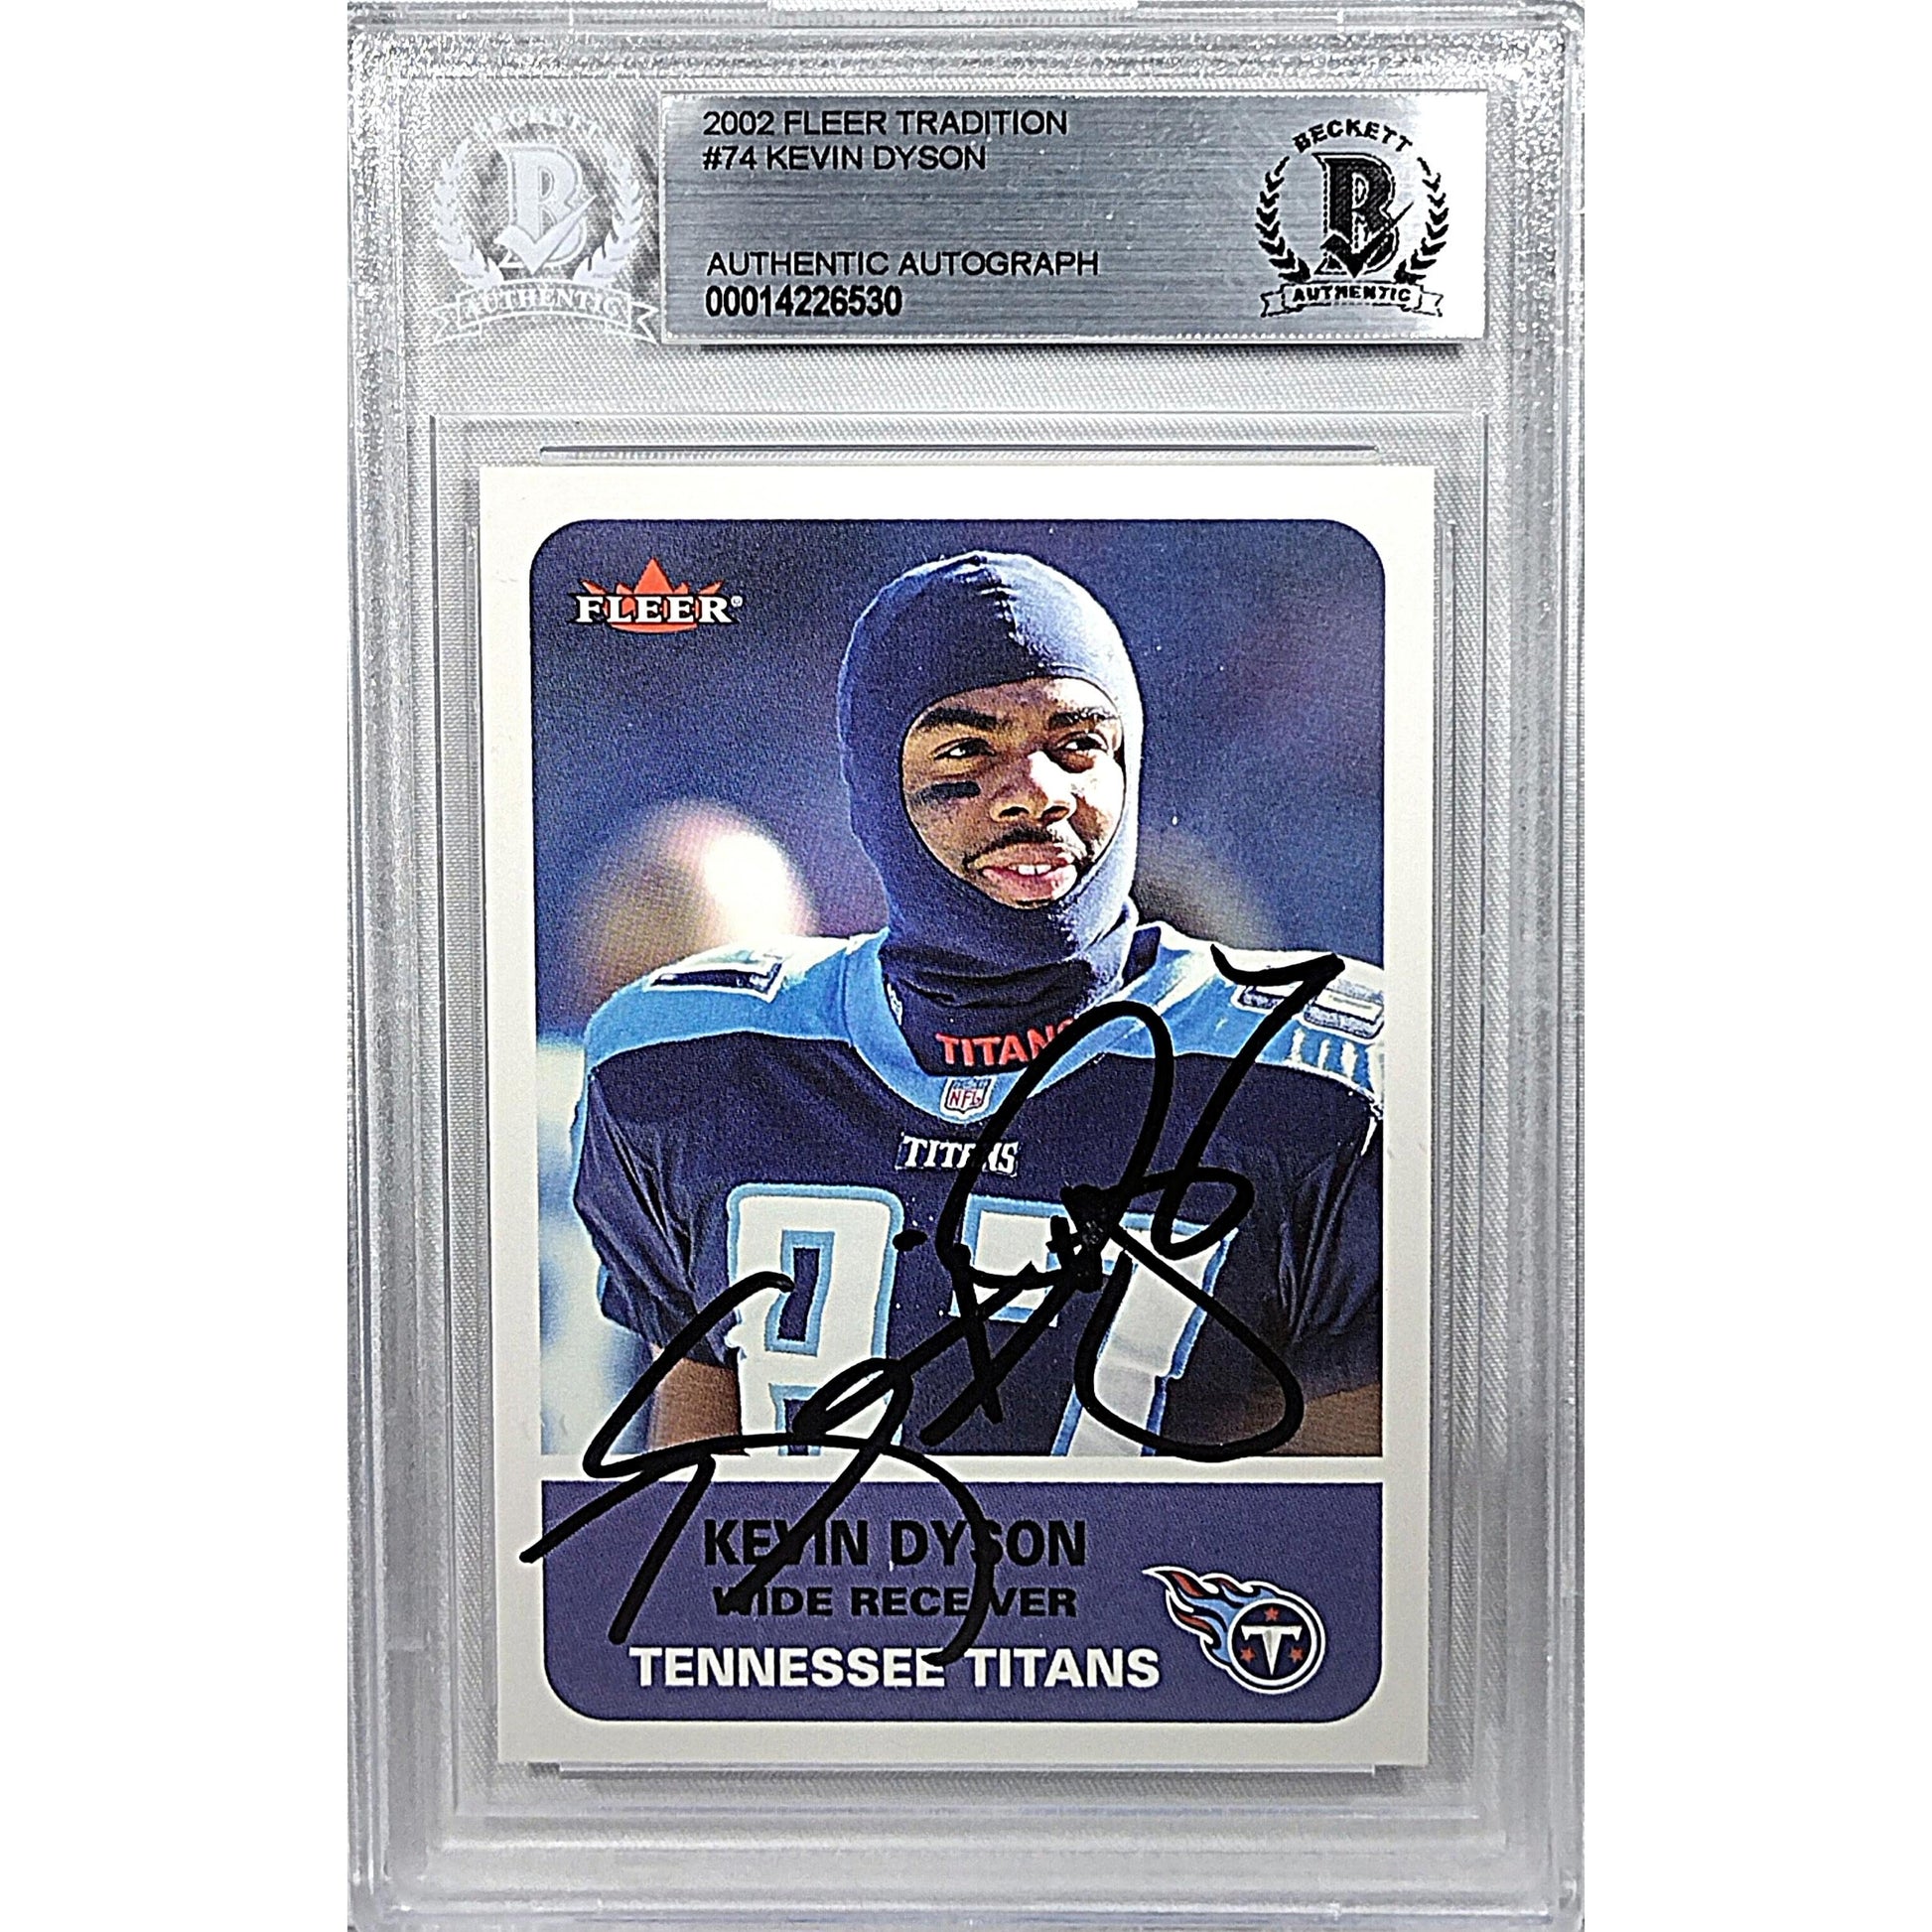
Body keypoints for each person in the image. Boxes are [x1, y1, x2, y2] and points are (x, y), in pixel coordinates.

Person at [573, 552, 1383, 1456]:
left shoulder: (1307, 1081)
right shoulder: (699, 1065)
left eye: (1077, 744)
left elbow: (1345, 1524)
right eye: (967, 749)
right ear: (874, 784)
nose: (1036, 792)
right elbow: (690, 1504)